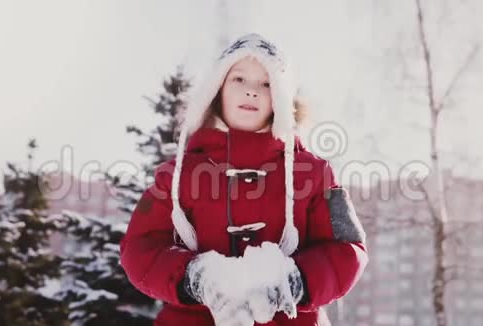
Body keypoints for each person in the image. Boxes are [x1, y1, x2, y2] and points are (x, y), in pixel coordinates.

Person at [119, 33, 369, 326]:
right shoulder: (176, 176)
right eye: (239, 79)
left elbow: (347, 249)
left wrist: (295, 282)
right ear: (217, 89)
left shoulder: (314, 174)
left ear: (281, 99)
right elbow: (140, 247)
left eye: (266, 83)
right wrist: (194, 278)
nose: (252, 91)